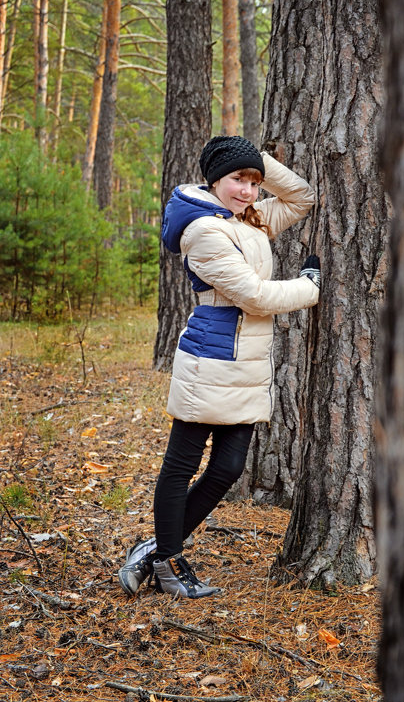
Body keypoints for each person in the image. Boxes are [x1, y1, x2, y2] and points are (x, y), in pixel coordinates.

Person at [118, 136, 320, 599]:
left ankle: (153, 551)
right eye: (237, 180)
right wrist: (310, 286)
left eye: (253, 182)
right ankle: (169, 562)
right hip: (211, 359)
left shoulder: (246, 220)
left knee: (227, 469)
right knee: (181, 466)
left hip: (245, 362)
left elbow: (302, 197)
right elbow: (254, 296)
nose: (249, 191)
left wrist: (253, 159)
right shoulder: (206, 232)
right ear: (213, 181)